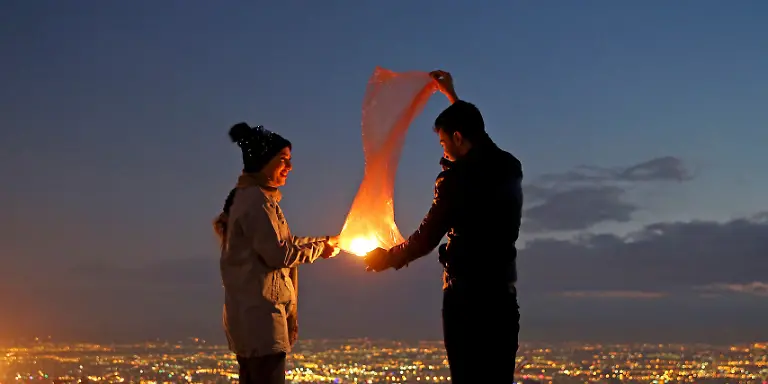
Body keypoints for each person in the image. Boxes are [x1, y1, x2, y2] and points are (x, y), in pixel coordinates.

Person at [363, 71, 523, 383]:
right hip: (502, 297)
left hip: (467, 300)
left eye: (443, 142)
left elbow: (426, 237)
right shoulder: (509, 166)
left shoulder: (454, 181)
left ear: (458, 138)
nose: (443, 151)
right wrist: (452, 98)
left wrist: (386, 258)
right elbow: (480, 140)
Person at [213, 122, 340, 384]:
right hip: (261, 323)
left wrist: (326, 241)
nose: (289, 166)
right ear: (264, 161)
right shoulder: (257, 203)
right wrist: (321, 248)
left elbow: (284, 243)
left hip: (252, 323)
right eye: (283, 159)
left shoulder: (255, 200)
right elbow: (279, 254)